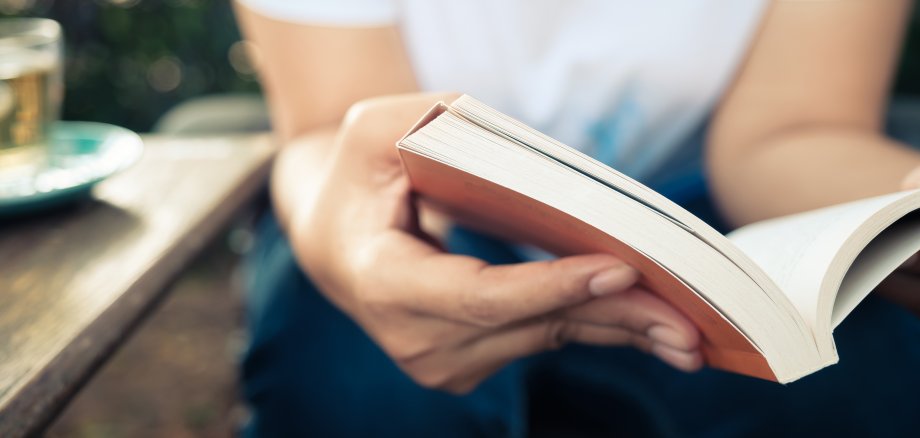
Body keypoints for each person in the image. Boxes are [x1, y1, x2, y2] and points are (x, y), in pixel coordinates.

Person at [233, 1, 920, 436]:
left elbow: (791, 131)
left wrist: (899, 212)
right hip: (427, 206)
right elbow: (332, 126)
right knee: (359, 389)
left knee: (857, 382)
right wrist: (354, 253)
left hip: (701, 217)